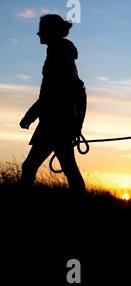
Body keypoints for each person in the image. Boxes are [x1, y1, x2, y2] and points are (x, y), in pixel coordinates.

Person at [20, 14, 86, 194]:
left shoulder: (59, 54)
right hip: (57, 122)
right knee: (68, 168)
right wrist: (76, 123)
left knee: (30, 167)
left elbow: (55, 92)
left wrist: (31, 114)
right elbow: (66, 91)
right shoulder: (59, 52)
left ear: (51, 32)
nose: (39, 34)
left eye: (42, 31)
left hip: (55, 123)